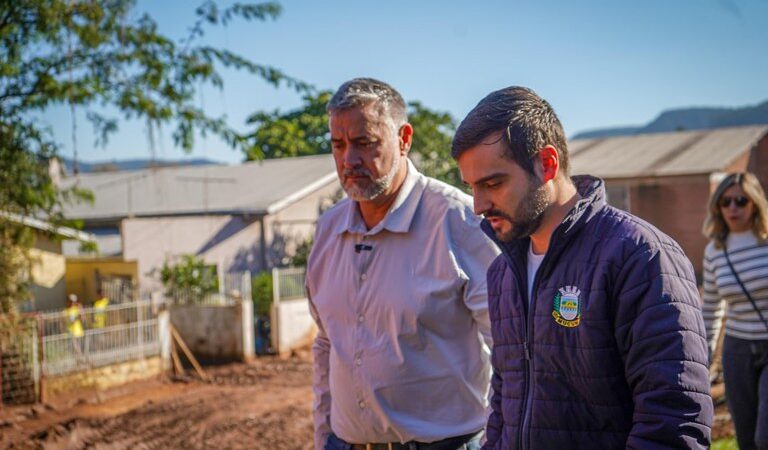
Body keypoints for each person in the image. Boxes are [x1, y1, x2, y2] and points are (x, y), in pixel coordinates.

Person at [451, 86, 713, 449]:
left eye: (493, 183)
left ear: (547, 164)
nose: (478, 205)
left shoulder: (639, 255)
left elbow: (674, 417)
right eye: (470, 187)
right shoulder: (502, 272)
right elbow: (504, 399)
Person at [306, 78, 499, 450]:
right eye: (338, 144)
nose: (349, 160)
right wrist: (323, 435)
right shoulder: (328, 230)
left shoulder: (459, 221)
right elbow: (327, 344)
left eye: (365, 143)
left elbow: (508, 348)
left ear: (404, 138)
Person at [702, 172, 768, 450]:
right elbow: (712, 309)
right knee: (746, 438)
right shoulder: (715, 251)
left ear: (754, 203)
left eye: (741, 201)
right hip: (736, 350)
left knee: (764, 437)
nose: (732, 208)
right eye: (725, 202)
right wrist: (702, 357)